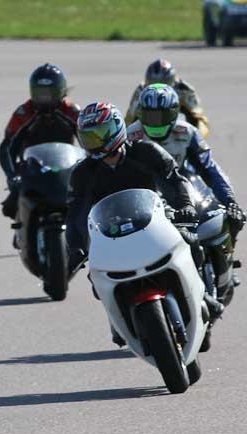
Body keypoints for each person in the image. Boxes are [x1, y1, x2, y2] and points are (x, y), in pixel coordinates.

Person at [66, 102, 222, 346]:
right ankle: (117, 318)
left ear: (117, 129)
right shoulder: (82, 173)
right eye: (88, 136)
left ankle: (202, 296)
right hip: (111, 231)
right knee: (96, 278)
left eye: (100, 134)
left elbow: (175, 180)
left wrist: (186, 206)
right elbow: (75, 212)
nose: (95, 141)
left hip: (156, 217)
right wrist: (75, 245)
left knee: (191, 242)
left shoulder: (147, 151)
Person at [127, 83, 244, 243]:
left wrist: (230, 201)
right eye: (150, 116)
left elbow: (209, 169)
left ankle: (220, 259)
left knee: (229, 217)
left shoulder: (188, 132)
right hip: (144, 191)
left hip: (181, 184)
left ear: (174, 113)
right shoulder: (131, 136)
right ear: (141, 114)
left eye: (162, 116)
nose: (156, 123)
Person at [0, 63, 80, 219]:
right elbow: (6, 148)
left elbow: (88, 141)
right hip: (32, 168)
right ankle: (22, 228)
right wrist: (11, 175)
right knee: (9, 207)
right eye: (40, 93)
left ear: (60, 91)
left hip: (66, 165)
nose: (44, 98)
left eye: (49, 93)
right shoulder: (23, 113)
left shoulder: (72, 111)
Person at [125, 58, 210, 138]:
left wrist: (197, 137)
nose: (158, 89)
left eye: (164, 82)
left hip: (177, 128)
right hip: (148, 130)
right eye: (153, 82)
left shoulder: (184, 89)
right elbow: (130, 119)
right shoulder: (141, 91)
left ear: (173, 80)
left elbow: (200, 118)